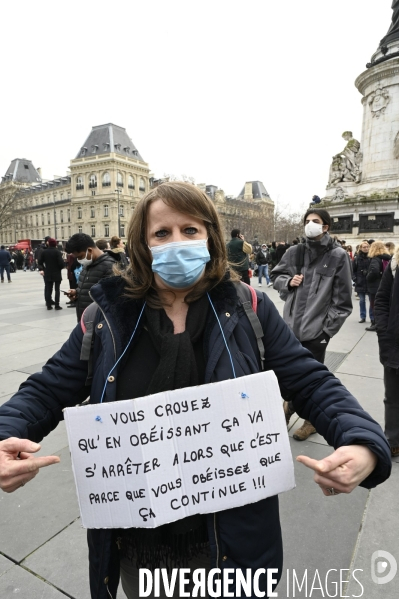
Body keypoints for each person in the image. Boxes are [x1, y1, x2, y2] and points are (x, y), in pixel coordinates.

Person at [0, 182, 391, 599]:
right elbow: (45, 389)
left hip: (232, 548)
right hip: (139, 549)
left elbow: (311, 380)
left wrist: (363, 441)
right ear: (143, 245)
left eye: (190, 230)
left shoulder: (249, 307)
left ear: (210, 237)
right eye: (161, 233)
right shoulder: (104, 317)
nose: (177, 242)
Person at [271, 208, 353, 441]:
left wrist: (326, 331)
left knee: (312, 380)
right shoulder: (294, 251)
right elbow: (276, 276)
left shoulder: (338, 256)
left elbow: (343, 301)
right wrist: (288, 281)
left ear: (325, 226)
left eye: (315, 221)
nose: (310, 225)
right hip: (289, 329)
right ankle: (287, 409)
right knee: (287, 376)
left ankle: (310, 421)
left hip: (316, 332)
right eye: (307, 221)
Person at [374, 245, 399, 458]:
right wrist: (384, 331)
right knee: (392, 396)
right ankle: (393, 439)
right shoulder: (395, 263)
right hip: (394, 344)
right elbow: (381, 299)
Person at [65, 233, 117, 321]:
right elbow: (90, 287)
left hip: (98, 323)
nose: (79, 260)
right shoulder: (88, 264)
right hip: (85, 321)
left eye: (80, 256)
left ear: (89, 250)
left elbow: (110, 300)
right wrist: (77, 293)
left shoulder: (110, 266)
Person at [365, 241, 392, 332]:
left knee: (375, 305)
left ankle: (376, 324)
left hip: (375, 286)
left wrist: (367, 277)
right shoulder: (387, 258)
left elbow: (374, 271)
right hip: (387, 285)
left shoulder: (375, 259)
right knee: (384, 305)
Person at [38, 238, 65, 310]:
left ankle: (48, 305)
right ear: (55, 244)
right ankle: (57, 305)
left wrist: (43, 269)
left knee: (48, 289)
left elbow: (40, 262)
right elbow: (61, 263)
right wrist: (60, 267)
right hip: (57, 273)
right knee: (57, 289)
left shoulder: (44, 252)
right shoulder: (57, 252)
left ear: (48, 244)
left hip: (48, 272)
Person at [352, 241, 373, 323]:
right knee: (362, 301)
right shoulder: (357, 258)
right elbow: (353, 270)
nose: (366, 248)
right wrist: (355, 279)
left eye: (367, 247)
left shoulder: (371, 257)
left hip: (369, 281)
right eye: (364, 247)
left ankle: (372, 317)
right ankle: (362, 316)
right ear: (360, 248)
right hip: (360, 282)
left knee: (372, 301)